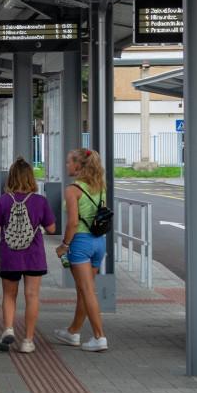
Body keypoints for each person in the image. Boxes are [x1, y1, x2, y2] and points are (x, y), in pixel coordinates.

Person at [0, 158, 54, 353]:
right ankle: (28, 341)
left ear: (11, 177)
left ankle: (8, 329)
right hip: (34, 256)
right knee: (32, 296)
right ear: (31, 177)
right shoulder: (40, 201)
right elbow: (51, 229)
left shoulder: (3, 201)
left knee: (9, 295)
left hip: (10, 256)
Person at [51, 148, 110, 351]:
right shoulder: (100, 187)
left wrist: (64, 245)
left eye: (69, 162)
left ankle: (99, 337)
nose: (67, 165)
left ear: (78, 165)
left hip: (81, 244)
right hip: (99, 242)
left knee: (87, 291)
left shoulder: (73, 190)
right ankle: (73, 332)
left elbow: (73, 223)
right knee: (84, 291)